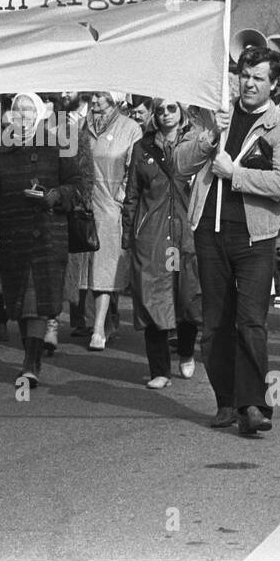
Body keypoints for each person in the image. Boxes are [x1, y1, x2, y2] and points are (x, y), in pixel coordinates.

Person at [177, 46, 280, 436]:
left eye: (258, 78)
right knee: (214, 324)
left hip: (255, 237)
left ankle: (254, 405)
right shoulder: (220, 116)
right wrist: (210, 137)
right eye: (245, 75)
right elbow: (180, 164)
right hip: (209, 234)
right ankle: (226, 400)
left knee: (250, 322)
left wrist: (236, 173)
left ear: (273, 84)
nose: (249, 83)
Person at [0, 93, 86, 387]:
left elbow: (77, 185)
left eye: (28, 109)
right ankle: (32, 354)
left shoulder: (57, 146)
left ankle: (29, 364)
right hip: (12, 238)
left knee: (36, 300)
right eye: (17, 110)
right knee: (21, 303)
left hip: (48, 235)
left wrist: (55, 196)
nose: (22, 114)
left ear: (39, 114)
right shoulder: (0, 152)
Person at [122, 98, 202, 388]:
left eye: (171, 108)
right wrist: (129, 233)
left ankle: (186, 350)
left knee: (187, 295)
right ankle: (159, 369)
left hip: (184, 233)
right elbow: (132, 193)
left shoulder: (196, 144)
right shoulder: (142, 148)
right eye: (159, 110)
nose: (165, 114)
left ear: (181, 111)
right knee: (152, 296)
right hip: (152, 234)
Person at [71, 90, 144, 351]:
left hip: (111, 207)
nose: (96, 101)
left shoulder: (131, 128)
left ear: (116, 100)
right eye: (94, 95)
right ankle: (82, 320)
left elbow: (135, 169)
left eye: (102, 96)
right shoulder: (81, 125)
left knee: (105, 267)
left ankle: (99, 327)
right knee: (79, 266)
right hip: (81, 204)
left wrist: (122, 195)